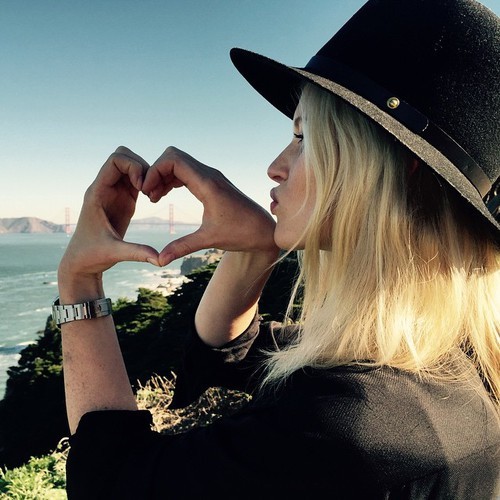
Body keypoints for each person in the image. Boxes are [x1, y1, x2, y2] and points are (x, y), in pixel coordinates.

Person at [55, 0, 500, 498]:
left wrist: (79, 281)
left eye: (303, 137)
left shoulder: (354, 430)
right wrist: (254, 247)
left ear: (399, 171)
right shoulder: (450, 360)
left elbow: (110, 482)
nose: (275, 166)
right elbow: (234, 353)